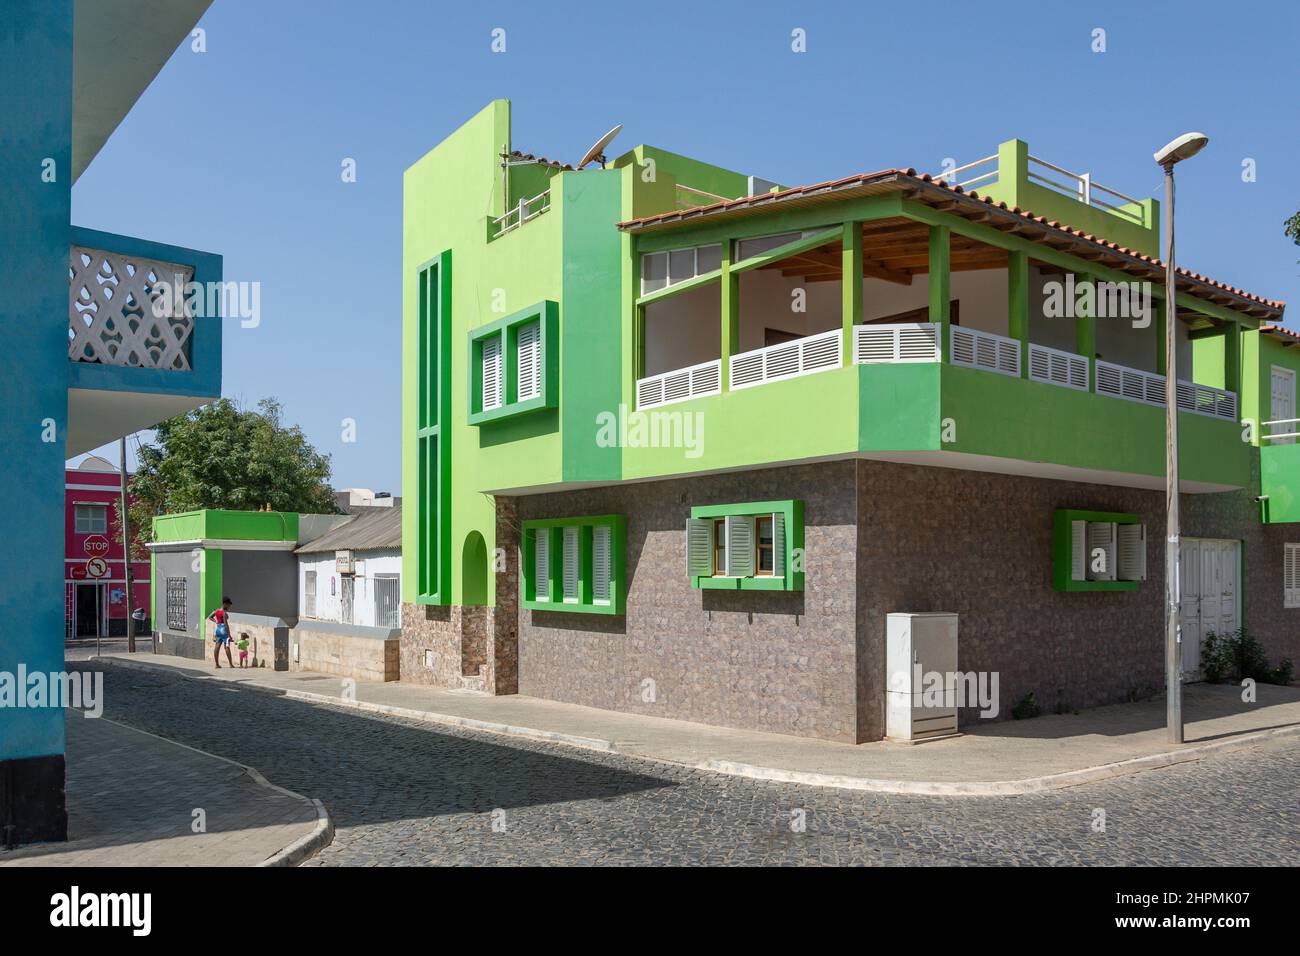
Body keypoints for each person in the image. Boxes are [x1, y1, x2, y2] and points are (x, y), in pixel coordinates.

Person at [208, 597, 234, 668]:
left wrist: (215, 621)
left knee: (217, 646)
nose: (229, 606)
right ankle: (231, 664)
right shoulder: (224, 613)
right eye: (228, 605)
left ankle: (217, 664)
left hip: (218, 629)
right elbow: (226, 624)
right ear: (225, 604)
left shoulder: (216, 611)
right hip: (224, 630)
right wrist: (229, 635)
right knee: (227, 647)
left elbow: (210, 617)